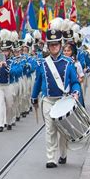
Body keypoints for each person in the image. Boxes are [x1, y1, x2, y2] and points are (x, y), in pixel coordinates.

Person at [32, 17, 81, 168]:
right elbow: (38, 82)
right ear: (48, 46)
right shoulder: (42, 63)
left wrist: (76, 92)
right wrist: (34, 97)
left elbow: (75, 82)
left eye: (56, 44)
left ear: (60, 45)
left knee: (63, 131)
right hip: (48, 100)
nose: (54, 47)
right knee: (50, 129)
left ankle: (63, 154)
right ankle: (50, 158)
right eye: (51, 45)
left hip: (63, 100)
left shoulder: (68, 63)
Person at [0, 30, 21, 132]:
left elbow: (17, 72)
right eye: (3, 50)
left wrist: (7, 67)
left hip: (9, 85)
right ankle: (0, 124)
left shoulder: (13, 61)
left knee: (10, 105)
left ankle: (9, 121)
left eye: (6, 51)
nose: (4, 53)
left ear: (10, 51)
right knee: (0, 104)